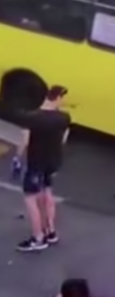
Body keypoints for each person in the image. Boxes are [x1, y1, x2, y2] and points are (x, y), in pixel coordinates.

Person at [17, 85, 71, 252]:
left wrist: (17, 157)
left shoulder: (31, 118)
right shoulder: (64, 117)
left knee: (31, 199)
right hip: (53, 162)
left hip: (36, 163)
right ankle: (51, 232)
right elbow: (63, 139)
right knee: (48, 194)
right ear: (58, 98)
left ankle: (38, 237)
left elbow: (25, 142)